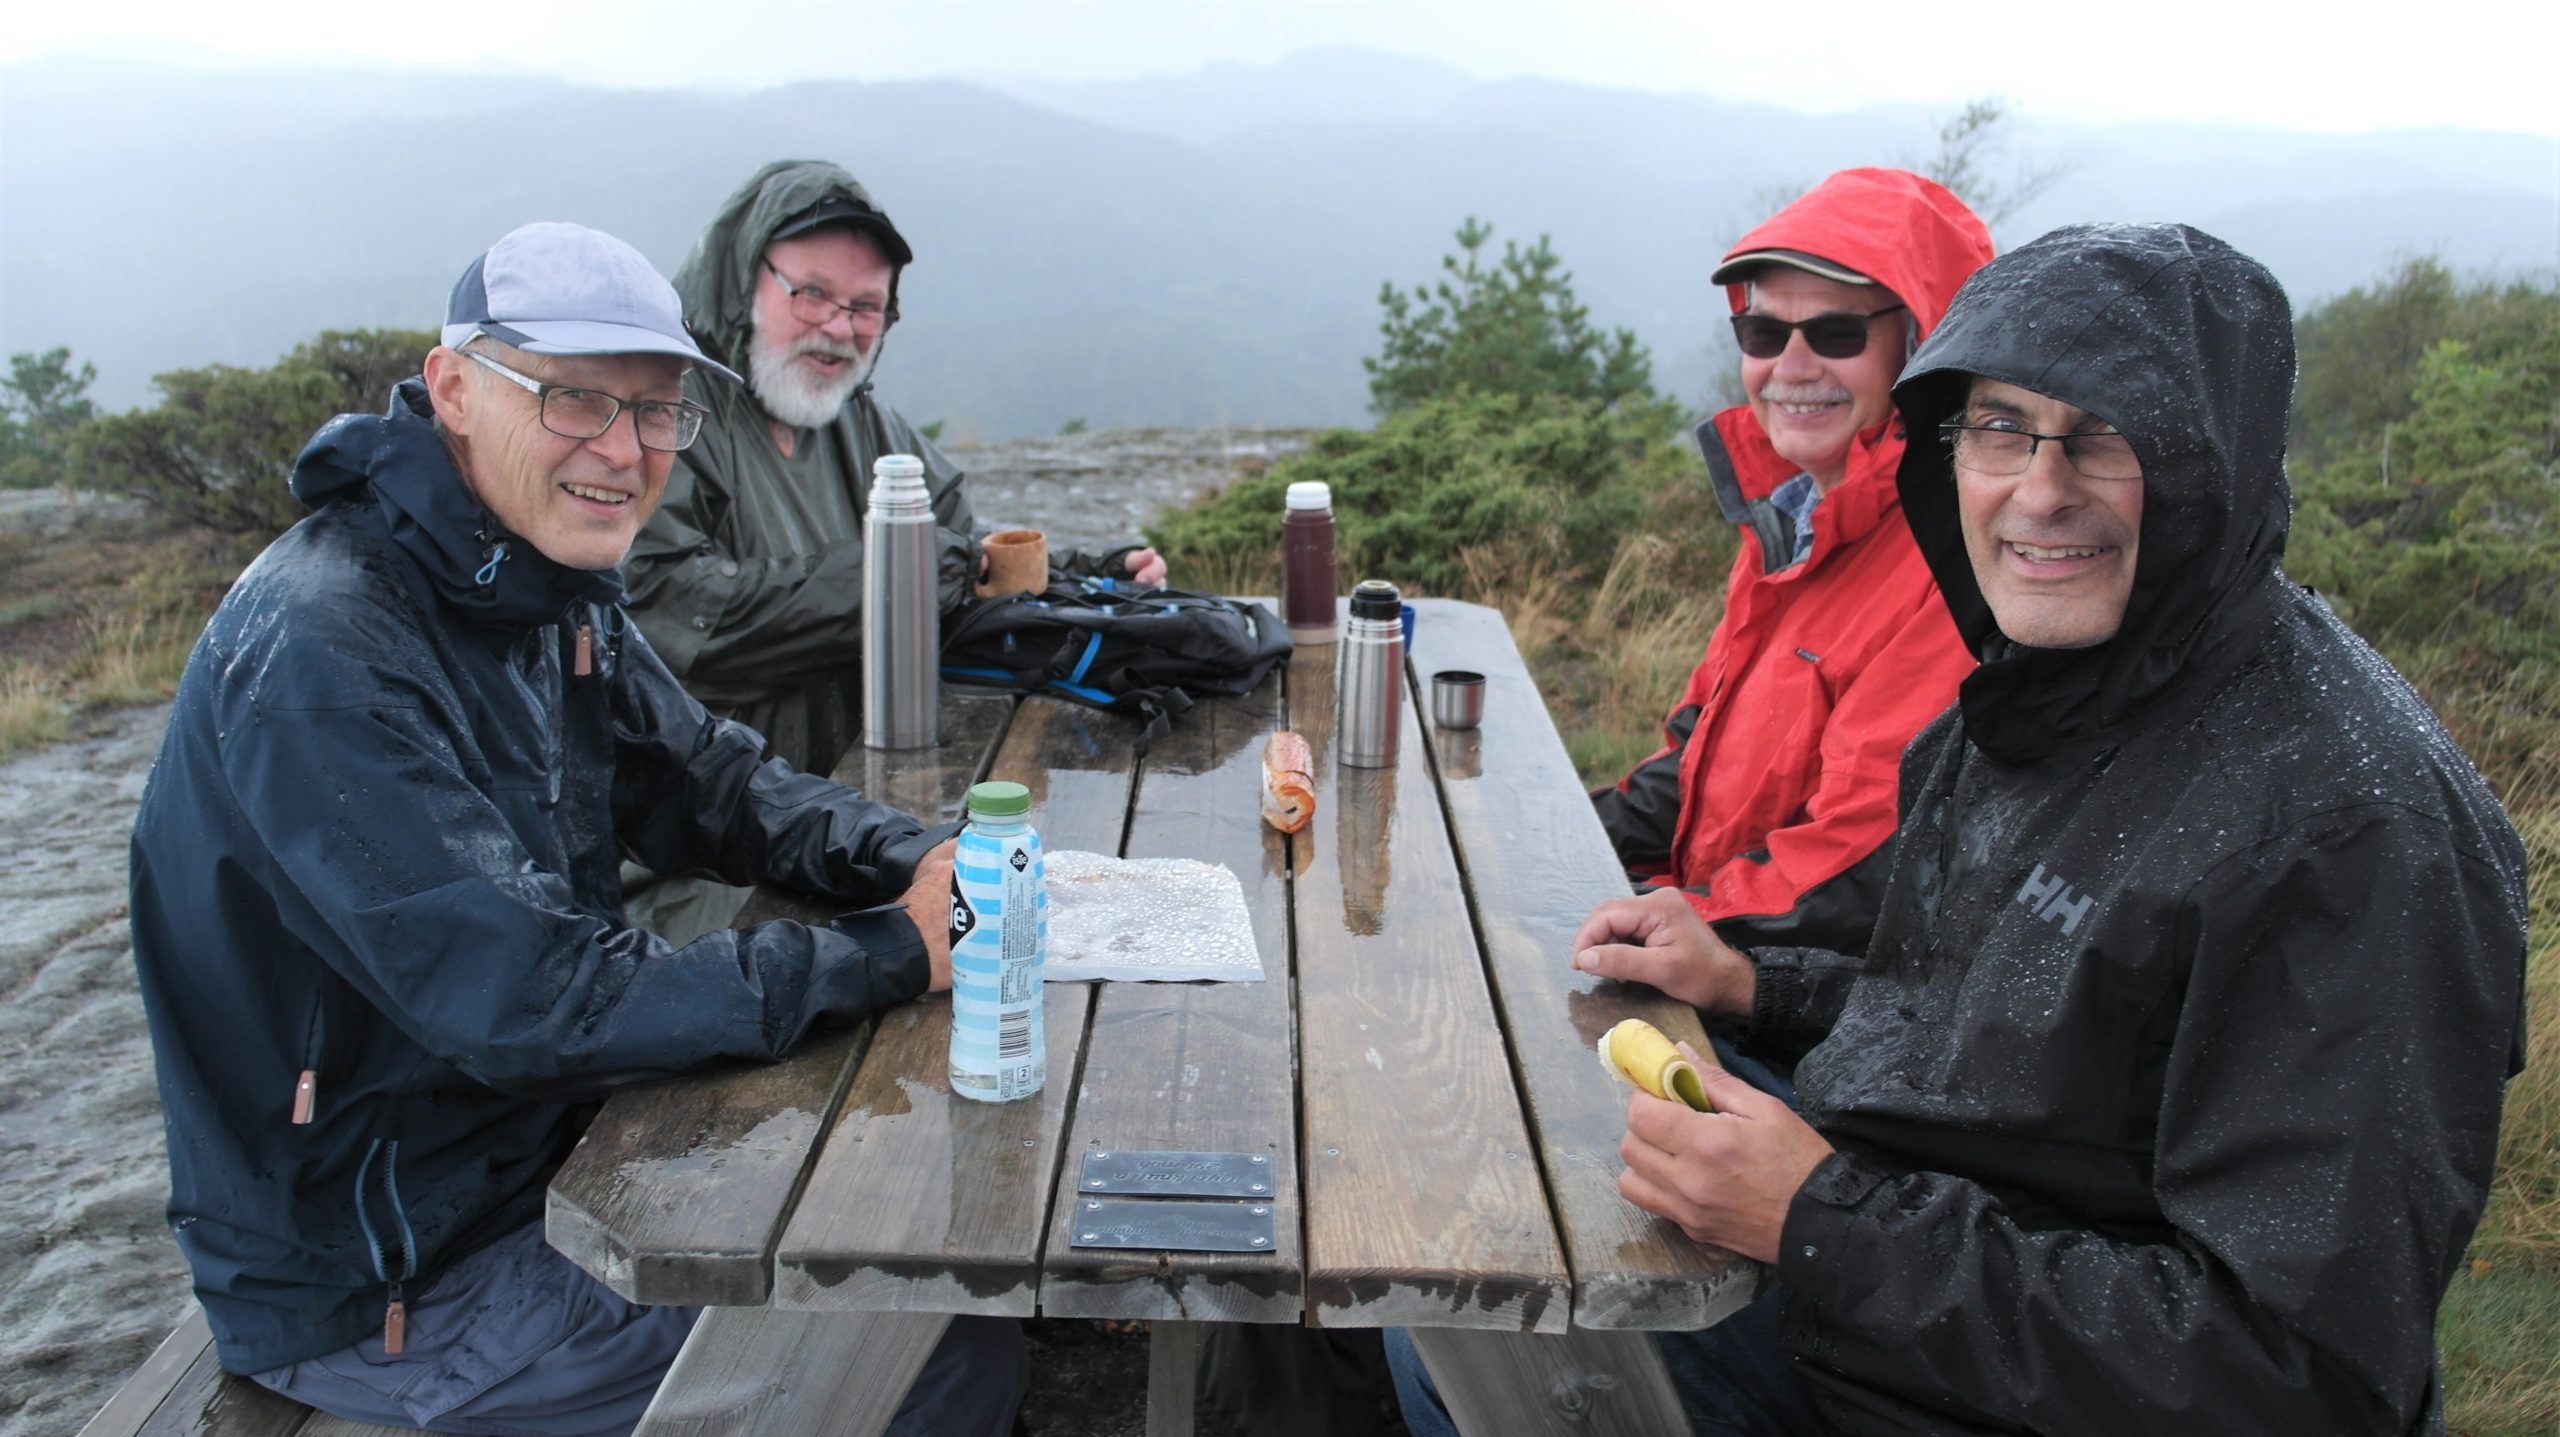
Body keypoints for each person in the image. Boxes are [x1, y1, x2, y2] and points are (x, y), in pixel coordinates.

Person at [1396, 223, 2531, 1434]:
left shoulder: (2351, 838)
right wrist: (1747, 983)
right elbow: (1996, 1021)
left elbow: (2305, 1380)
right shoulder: (2043, 697)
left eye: (2106, 435)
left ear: (2216, 464)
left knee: (1470, 1303)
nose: (2040, 490)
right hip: (1884, 1288)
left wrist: (1822, 1221)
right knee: (1446, 1211)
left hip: (1942, 1377)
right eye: (2001, 428)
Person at [127, 222, 1024, 1437]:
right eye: (575, 400)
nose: (624, 450)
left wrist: (917, 858)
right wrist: (893, 951)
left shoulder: (535, 580)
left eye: (654, 412)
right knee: (930, 1339)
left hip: (527, 1161)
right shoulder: (327, 652)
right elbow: (538, 1003)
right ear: (453, 388)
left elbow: (712, 784)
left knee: (916, 1219)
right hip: (391, 1278)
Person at [624, 159, 1165, 781]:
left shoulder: (867, 426)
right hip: (714, 811)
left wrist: (1090, 575)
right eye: (812, 294)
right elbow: (670, 614)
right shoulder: (671, 415)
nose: (839, 327)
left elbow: (961, 559)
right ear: (744, 281)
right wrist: (905, 574)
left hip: (869, 787)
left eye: (866, 307)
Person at [1593, 168, 1991, 958]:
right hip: (1715, 927)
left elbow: (1855, 865)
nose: (1792, 365)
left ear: (1924, 348)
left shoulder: (1954, 566)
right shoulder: (1795, 515)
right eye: (1764, 334)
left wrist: (1670, 921)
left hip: (1786, 990)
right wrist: (1561, 841)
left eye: (1838, 333)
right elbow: (1695, 753)